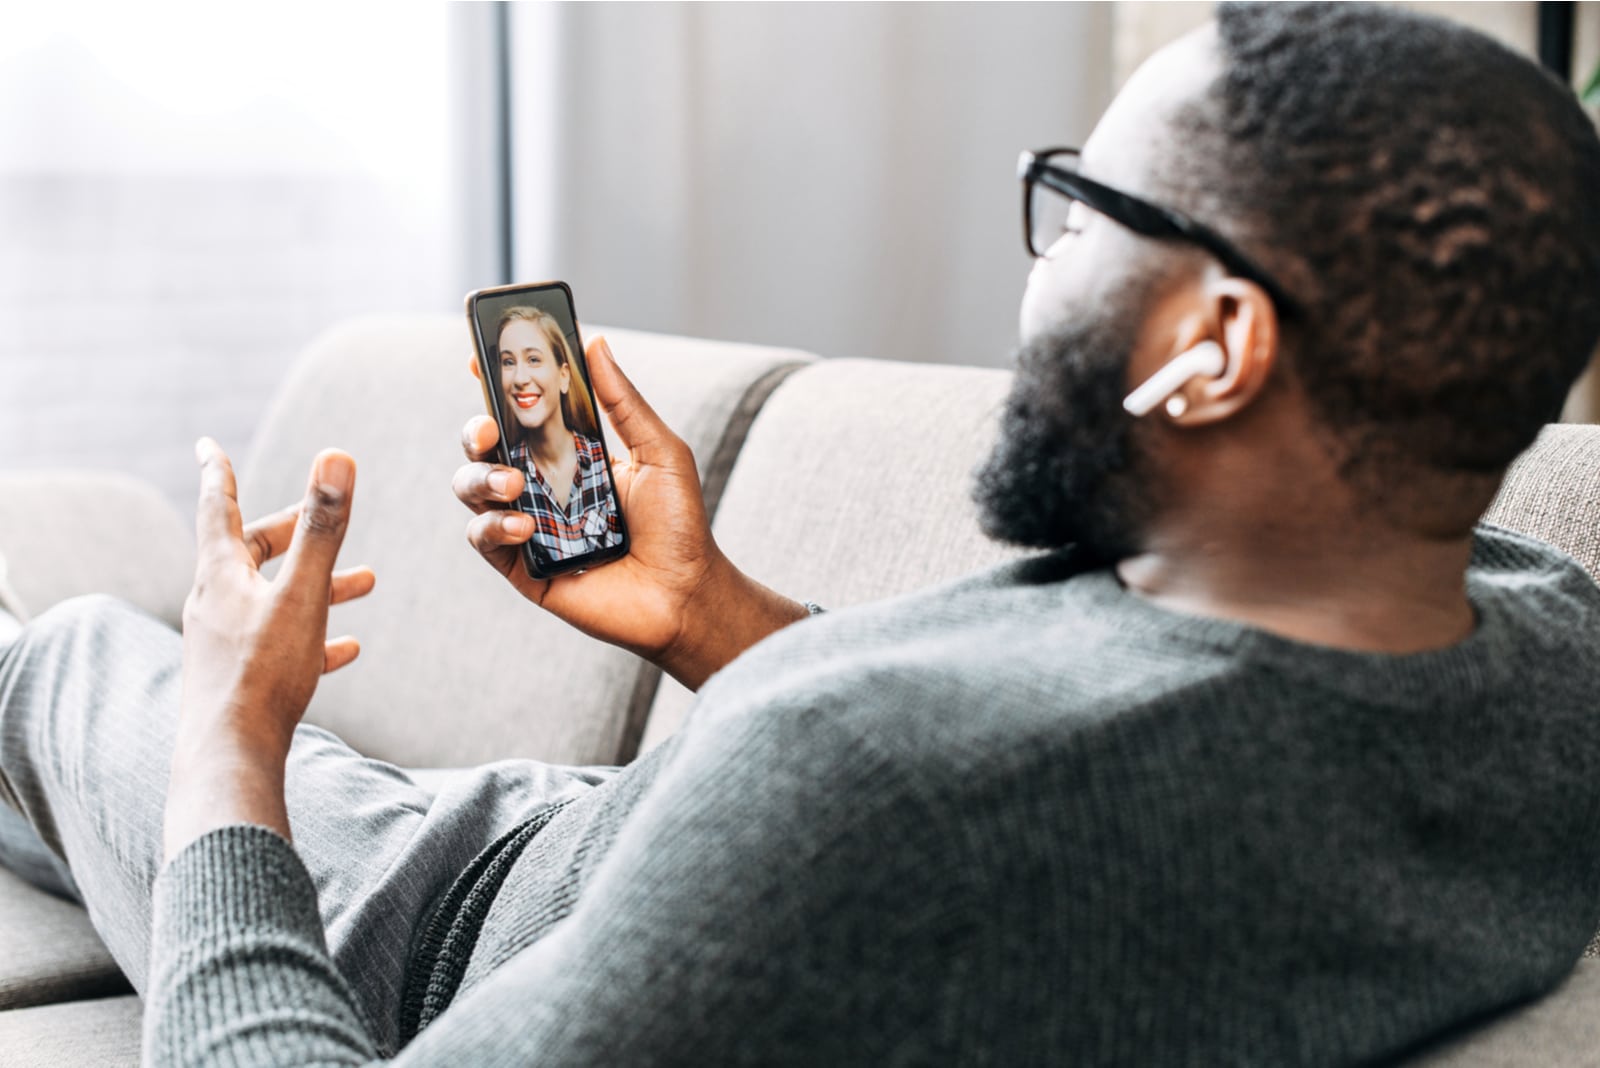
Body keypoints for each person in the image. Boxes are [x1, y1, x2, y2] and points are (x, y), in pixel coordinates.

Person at [2, 3, 1600, 1064]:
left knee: (71, 659)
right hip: (578, 834)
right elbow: (1026, 747)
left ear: (1222, 347)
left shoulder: (878, 804)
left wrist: (234, 743)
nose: (1040, 275)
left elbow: (915, 799)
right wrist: (715, 616)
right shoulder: (1544, 640)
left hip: (464, 937)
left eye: (1083, 208)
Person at [490, 305, 621, 562]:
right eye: (508, 362)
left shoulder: (604, 465)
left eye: (533, 359)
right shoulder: (507, 477)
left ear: (563, 376)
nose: (519, 378)